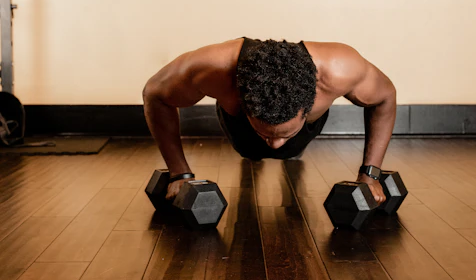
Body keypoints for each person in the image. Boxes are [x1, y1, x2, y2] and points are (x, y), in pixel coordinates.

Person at [143, 37, 396, 204]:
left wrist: (370, 174)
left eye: (284, 135)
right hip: (241, 135)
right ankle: (265, 133)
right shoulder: (211, 69)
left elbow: (385, 96)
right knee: (253, 149)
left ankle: (280, 134)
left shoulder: (340, 69)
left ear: (310, 104)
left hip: (304, 134)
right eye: (268, 135)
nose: (275, 144)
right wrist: (179, 173)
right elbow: (154, 94)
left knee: (287, 150)